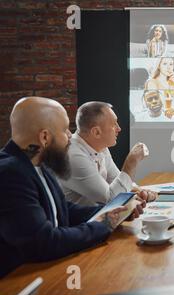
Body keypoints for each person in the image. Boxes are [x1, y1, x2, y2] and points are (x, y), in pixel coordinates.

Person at [0, 97, 145, 278]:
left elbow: (64, 210)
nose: (70, 135)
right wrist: (103, 225)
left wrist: (115, 212)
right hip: (18, 280)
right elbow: (45, 242)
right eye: (64, 130)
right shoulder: (10, 173)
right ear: (44, 137)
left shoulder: (36, 163)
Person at [58, 101, 158, 206]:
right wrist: (131, 162)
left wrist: (139, 191)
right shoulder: (73, 156)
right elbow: (111, 198)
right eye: (114, 124)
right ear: (96, 132)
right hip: (80, 221)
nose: (119, 128)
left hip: (98, 217)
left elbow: (117, 182)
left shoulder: (100, 147)